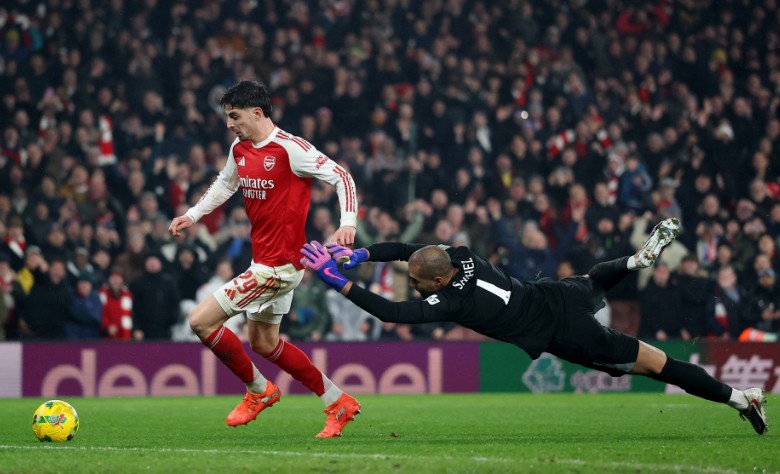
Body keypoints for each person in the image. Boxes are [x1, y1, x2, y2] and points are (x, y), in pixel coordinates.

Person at [301, 218, 769, 435]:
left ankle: (741, 398)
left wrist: (339, 281)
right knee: (595, 280)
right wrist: (361, 254)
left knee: (657, 365)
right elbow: (410, 251)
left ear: (438, 281)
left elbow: (392, 313)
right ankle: (633, 261)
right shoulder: (461, 254)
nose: (416, 287)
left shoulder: (452, 300)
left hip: (567, 334)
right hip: (557, 294)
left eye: (419, 283)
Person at [168, 80, 361, 438]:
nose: (229, 124)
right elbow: (226, 184)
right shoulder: (239, 148)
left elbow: (342, 177)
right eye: (228, 117)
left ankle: (259, 390)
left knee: (200, 321)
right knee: (264, 343)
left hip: (279, 267)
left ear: (257, 113)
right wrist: (193, 215)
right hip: (265, 262)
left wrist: (347, 223)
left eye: (234, 116)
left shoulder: (291, 149)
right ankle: (339, 401)